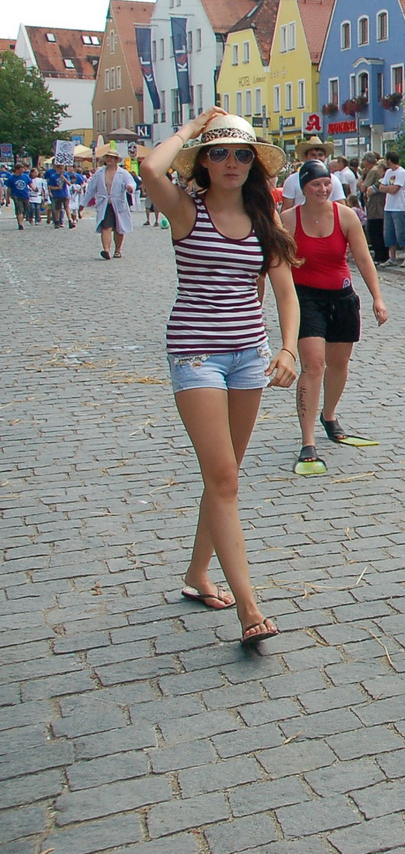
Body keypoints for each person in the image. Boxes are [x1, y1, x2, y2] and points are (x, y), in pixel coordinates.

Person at [139, 109, 300, 648]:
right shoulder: (187, 210)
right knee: (225, 477)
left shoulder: (262, 220)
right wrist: (187, 132)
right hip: (196, 355)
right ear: (203, 162)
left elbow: (285, 293)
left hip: (249, 356)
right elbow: (149, 168)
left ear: (254, 163)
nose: (231, 162)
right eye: (219, 152)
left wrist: (286, 347)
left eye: (242, 153)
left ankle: (196, 575)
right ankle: (249, 608)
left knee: (224, 475)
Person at [284, 159, 388, 474]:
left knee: (339, 364)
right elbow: (276, 266)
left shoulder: (345, 217)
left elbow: (362, 257)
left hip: (342, 297)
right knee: (314, 365)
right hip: (306, 299)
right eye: (316, 184)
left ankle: (329, 415)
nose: (323, 189)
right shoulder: (288, 220)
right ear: (304, 188)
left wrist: (377, 298)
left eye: (327, 183)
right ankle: (307, 440)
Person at [84, 144, 137, 260]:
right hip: (105, 204)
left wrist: (130, 187)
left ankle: (118, 250)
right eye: (107, 157)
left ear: (116, 160)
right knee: (106, 227)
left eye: (112, 158)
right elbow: (91, 189)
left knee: (119, 228)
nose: (109, 159)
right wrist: (82, 204)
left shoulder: (123, 173)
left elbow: (132, 183)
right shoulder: (99, 173)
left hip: (118, 203)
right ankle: (106, 250)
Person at [279, 138, 346, 209]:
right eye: (313, 155)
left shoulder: (334, 180)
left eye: (320, 155)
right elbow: (286, 209)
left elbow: (342, 207)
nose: (317, 158)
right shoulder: (292, 180)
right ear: (305, 157)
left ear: (325, 157)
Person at [380, 151, 405, 267]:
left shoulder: (401, 172)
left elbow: (394, 189)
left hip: (399, 207)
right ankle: (392, 257)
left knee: (402, 233)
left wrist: (387, 188)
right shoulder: (388, 172)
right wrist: (388, 188)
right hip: (389, 206)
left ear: (389, 160)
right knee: (389, 233)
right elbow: (382, 187)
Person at [359, 153, 387, 265]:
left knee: (375, 230)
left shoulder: (372, 171)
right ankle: (383, 254)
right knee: (381, 230)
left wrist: (362, 177)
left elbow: (363, 187)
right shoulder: (378, 171)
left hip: (375, 205)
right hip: (382, 204)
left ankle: (379, 255)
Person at [44, 162, 69, 228]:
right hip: (57, 195)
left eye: (63, 168)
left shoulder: (65, 175)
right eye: (60, 168)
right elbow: (50, 186)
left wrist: (64, 178)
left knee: (66, 207)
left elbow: (69, 183)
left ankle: (69, 220)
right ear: (57, 168)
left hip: (64, 194)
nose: (62, 170)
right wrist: (57, 188)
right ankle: (57, 221)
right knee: (57, 208)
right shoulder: (53, 176)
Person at [7, 164, 30, 229]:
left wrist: (34, 188)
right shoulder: (11, 178)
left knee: (25, 210)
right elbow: (9, 189)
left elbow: (30, 183)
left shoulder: (25, 176)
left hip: (25, 195)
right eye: (21, 169)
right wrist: (7, 198)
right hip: (16, 195)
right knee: (19, 209)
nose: (23, 170)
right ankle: (20, 224)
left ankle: (21, 221)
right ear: (17, 170)